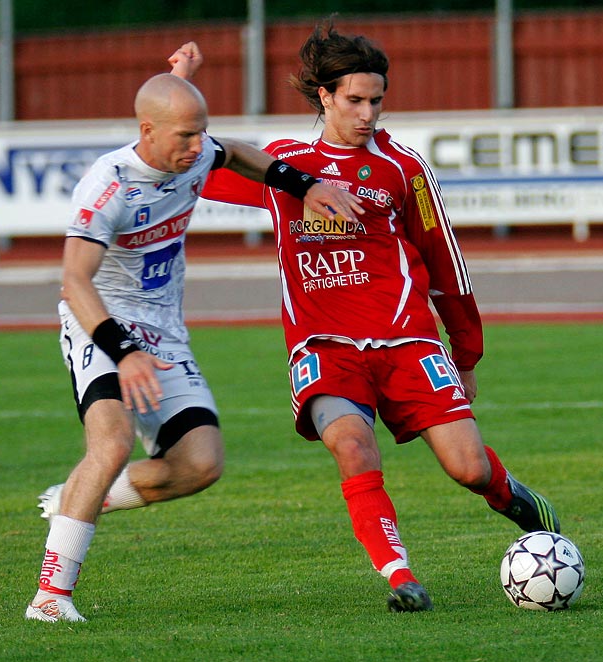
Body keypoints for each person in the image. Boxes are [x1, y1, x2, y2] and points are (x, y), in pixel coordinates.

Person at [190, 22, 561, 613]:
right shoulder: (283, 166)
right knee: (353, 446)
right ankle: (400, 576)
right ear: (325, 97)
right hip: (324, 347)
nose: (367, 113)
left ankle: (518, 500)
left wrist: (464, 354)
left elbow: (446, 265)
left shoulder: (402, 169)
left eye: (376, 100)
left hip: (408, 340)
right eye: (355, 100)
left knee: (467, 468)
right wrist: (178, 91)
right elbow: (192, 165)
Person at [26, 47, 363, 623]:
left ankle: (78, 498)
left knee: (201, 464)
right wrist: (123, 353)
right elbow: (74, 281)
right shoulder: (107, 187)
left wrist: (303, 185)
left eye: (199, 134)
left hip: (163, 330)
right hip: (101, 322)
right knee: (110, 444)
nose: (196, 148)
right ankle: (51, 597)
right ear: (147, 131)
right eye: (184, 136)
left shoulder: (194, 148)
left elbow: (235, 153)